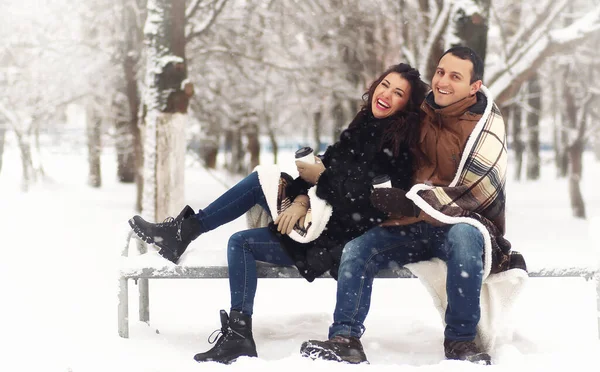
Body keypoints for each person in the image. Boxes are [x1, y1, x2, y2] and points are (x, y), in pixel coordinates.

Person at [128, 63, 429, 364]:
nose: (386, 94)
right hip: (319, 217)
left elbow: (367, 199)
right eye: (385, 84)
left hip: (335, 238)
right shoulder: (363, 126)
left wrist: (319, 180)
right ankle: (237, 331)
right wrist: (301, 197)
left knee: (244, 233)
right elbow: (326, 169)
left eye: (398, 92)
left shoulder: (398, 145)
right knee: (260, 188)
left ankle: (187, 238)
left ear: (407, 105)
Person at [299, 46, 527, 366]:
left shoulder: (484, 125)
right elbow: (376, 141)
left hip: (459, 223)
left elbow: (477, 192)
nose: (443, 82)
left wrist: (410, 201)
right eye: (440, 72)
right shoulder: (419, 112)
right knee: (357, 248)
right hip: (410, 225)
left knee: (465, 237)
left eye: (455, 77)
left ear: (474, 87)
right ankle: (345, 338)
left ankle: (460, 342)